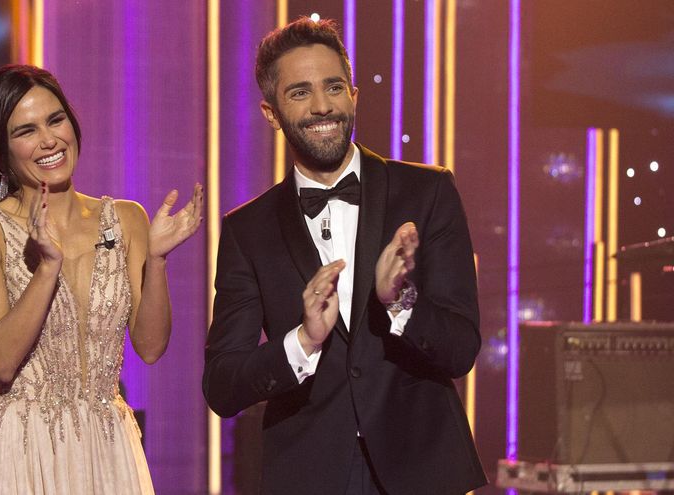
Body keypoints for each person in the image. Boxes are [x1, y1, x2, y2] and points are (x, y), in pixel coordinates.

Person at [203, 18, 486, 495]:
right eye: (299, 93)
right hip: (308, 475)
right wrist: (303, 341)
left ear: (353, 93)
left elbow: (461, 349)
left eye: (333, 87)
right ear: (271, 113)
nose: (322, 106)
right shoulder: (246, 229)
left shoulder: (429, 190)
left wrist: (401, 302)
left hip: (422, 469)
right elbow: (223, 386)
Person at [0, 64, 202, 494]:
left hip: (107, 449)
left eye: (56, 119)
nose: (49, 140)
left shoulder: (125, 218)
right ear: (1, 150)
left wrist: (157, 261)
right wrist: (48, 267)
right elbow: (0, 359)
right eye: (25, 130)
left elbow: (151, 346)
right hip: (18, 449)